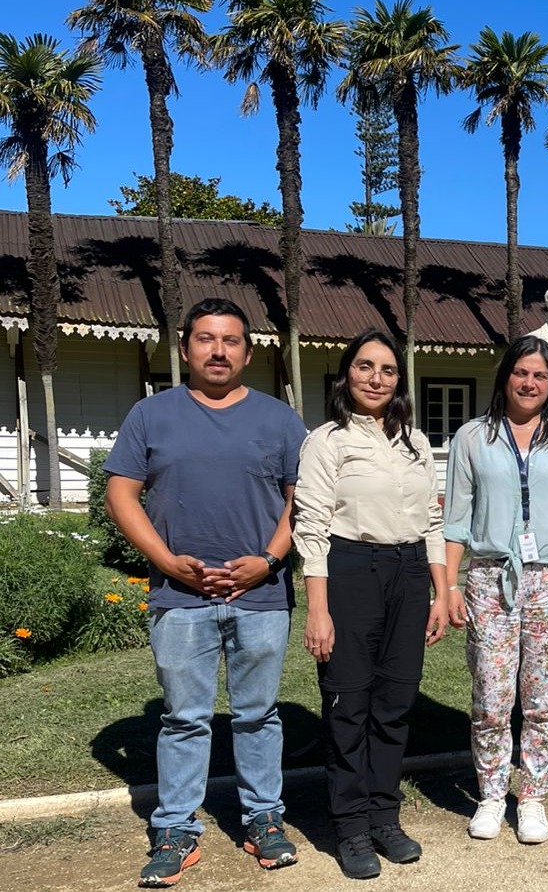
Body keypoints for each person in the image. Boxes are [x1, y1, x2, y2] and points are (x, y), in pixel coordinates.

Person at [104, 298, 307, 888]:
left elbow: (302, 503)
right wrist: (167, 562)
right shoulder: (151, 414)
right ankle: (175, 828)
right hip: (179, 596)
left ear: (248, 350)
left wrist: (267, 561)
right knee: (184, 718)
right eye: (206, 340)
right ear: (185, 346)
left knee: (257, 715)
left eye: (231, 341)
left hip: (261, 595)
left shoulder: (279, 420)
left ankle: (264, 820)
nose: (218, 351)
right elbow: (122, 493)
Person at [292, 330, 451, 880]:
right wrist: (318, 609)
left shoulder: (415, 442)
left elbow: (433, 521)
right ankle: (351, 826)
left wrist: (440, 591)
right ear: (346, 374)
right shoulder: (326, 441)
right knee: (348, 704)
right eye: (365, 366)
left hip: (409, 574)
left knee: (394, 703)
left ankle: (385, 816)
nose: (375, 378)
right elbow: (309, 527)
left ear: (398, 380)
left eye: (386, 369)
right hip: (350, 571)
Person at [442, 335, 548, 844]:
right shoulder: (473, 437)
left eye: (540, 375)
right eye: (520, 372)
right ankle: (492, 794)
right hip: (491, 578)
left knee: (541, 697)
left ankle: (531, 796)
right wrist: (449, 584)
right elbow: (455, 520)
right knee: (491, 697)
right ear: (505, 376)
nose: (529, 383)